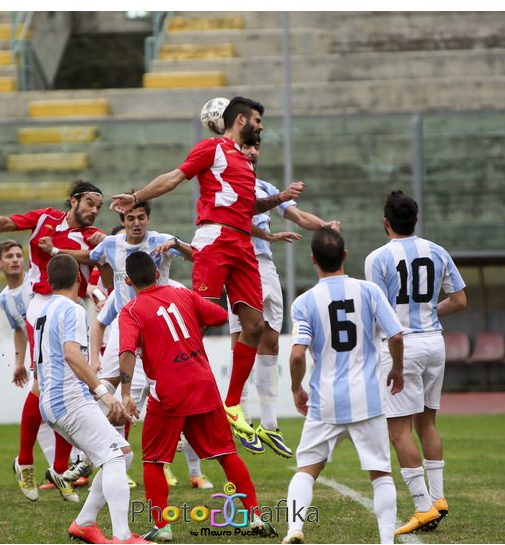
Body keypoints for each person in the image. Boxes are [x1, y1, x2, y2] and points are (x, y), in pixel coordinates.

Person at [109, 96, 303, 444]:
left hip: (243, 244)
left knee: (255, 325)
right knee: (196, 321)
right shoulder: (211, 148)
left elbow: (248, 206)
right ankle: (166, 388)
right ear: (241, 119)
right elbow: (173, 177)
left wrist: (279, 198)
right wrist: (136, 197)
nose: (261, 127)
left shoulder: (245, 163)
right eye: (257, 120)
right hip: (214, 239)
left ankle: (230, 405)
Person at [117, 252, 278, 542]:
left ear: (128, 280)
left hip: (169, 393)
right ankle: (254, 515)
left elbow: (127, 351)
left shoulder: (130, 310)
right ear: (157, 273)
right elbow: (217, 316)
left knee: (153, 460)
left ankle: (162, 526)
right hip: (203, 383)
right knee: (226, 454)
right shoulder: (183, 294)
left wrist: (126, 393)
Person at [0, 179, 107, 503]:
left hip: (73, 306)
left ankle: (60, 470)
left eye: (98, 206)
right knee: (44, 382)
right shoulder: (46, 219)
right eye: (90, 203)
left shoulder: (90, 236)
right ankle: (25, 461)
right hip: (42, 305)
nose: (94, 210)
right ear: (74, 200)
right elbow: (16, 221)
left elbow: (99, 256)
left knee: (69, 385)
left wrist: (62, 253)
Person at [284, 228, 404, 544]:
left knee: (306, 470)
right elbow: (396, 336)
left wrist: (297, 388)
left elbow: (297, 354)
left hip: (325, 401)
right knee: (381, 475)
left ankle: (295, 529)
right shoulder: (369, 292)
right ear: (346, 256)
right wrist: (399, 370)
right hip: (368, 398)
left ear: (312, 259)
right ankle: (388, 543)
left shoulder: (304, 302)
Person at [228, 137, 341, 457]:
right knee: (242, 337)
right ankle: (241, 417)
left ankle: (269, 425)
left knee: (271, 341)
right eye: (245, 146)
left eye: (255, 147)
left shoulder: (265, 186)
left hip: (265, 266)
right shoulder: (226, 183)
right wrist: (269, 235)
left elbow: (300, 216)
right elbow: (235, 219)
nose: (251, 151)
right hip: (239, 264)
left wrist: (325, 226)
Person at [87, 198, 211, 489]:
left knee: (175, 401)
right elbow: (89, 258)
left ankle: (191, 469)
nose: (136, 223)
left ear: (148, 217)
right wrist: (58, 251)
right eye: (130, 218)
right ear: (123, 218)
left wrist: (176, 245)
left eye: (141, 217)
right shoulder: (110, 245)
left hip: (157, 332)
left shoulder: (162, 243)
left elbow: (198, 257)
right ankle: (100, 455)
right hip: (126, 329)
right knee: (108, 391)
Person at [364, 191, 468, 535]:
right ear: (417, 219)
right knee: (428, 425)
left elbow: (377, 312)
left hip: (402, 346)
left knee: (398, 431)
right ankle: (438, 500)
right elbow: (460, 300)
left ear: (385, 223)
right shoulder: (438, 251)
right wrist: (428, 314)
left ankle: (423, 506)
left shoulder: (377, 258)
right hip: (434, 344)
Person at [33, 253, 148, 544]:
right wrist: (104, 396)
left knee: (123, 453)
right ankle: (122, 536)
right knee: (113, 458)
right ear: (79, 278)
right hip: (68, 399)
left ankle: (84, 523)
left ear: (48, 281)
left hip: (53, 399)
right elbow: (72, 355)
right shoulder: (71, 310)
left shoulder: (44, 312)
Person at [0, 239, 90, 500]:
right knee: (51, 389)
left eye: (18, 254)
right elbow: (18, 329)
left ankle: (55, 468)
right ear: (0, 263)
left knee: (63, 394)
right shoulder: (5, 298)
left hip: (53, 326)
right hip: (41, 334)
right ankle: (30, 462)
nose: (15, 259)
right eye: (9, 255)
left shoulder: (35, 284)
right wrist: (19, 361)